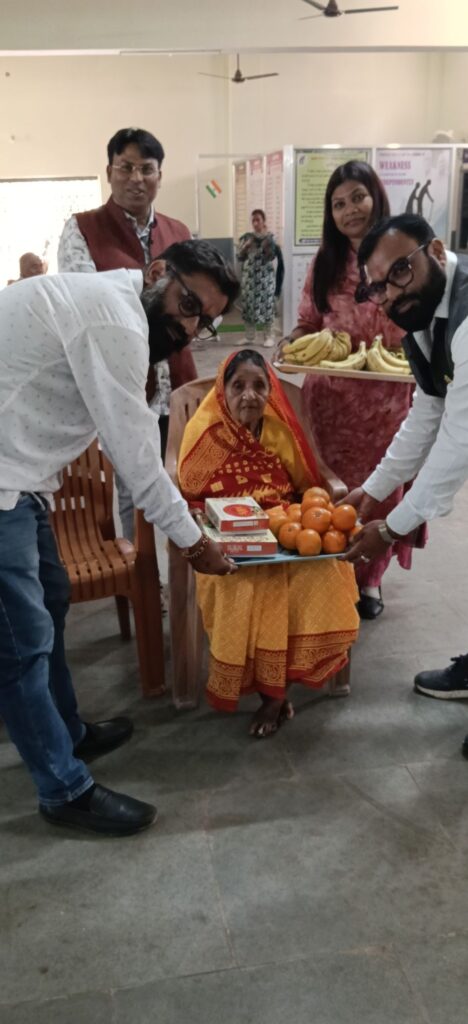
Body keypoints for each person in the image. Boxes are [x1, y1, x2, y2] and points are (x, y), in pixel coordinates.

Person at [0, 240, 239, 836]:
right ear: (157, 272)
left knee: (51, 604)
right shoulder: (114, 319)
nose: (190, 329)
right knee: (20, 644)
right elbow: (136, 458)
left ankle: (68, 731)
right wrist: (194, 544)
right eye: (189, 305)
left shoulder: (117, 308)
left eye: (204, 321)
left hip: (22, 479)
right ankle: (63, 790)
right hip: (2, 482)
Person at [178, 349, 359, 737]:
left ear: (270, 391)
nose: (249, 395)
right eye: (238, 386)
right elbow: (190, 492)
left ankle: (278, 691)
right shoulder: (205, 432)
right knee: (241, 585)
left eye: (259, 386)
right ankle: (270, 693)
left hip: (283, 526)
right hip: (225, 535)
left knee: (321, 574)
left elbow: (306, 484)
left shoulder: (279, 431)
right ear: (222, 390)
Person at [341, 213, 468, 752]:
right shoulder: (423, 317)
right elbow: (427, 414)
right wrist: (373, 489)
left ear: (435, 251)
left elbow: (458, 441)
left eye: (399, 272)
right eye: (379, 286)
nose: (391, 294)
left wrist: (391, 529)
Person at [283, 160, 421, 620]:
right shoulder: (324, 264)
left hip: (386, 406)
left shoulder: (400, 262)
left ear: (376, 197)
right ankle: (327, 572)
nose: (349, 211)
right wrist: (294, 342)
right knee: (327, 492)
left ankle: (369, 580)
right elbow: (307, 322)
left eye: (357, 197)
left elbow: (419, 325)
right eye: (338, 204)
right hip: (330, 406)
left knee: (381, 494)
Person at [58, 127, 193, 481]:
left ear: (159, 176)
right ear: (109, 172)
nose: (136, 179)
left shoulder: (180, 233)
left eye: (146, 169)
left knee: (180, 479)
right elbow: (84, 304)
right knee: (125, 490)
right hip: (117, 386)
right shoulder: (82, 229)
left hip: (177, 383)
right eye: (126, 167)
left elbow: (202, 301)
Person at [237, 209, 284, 349]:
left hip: (265, 279)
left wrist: (267, 246)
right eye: (253, 220)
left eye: (258, 220)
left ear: (264, 221)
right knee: (248, 307)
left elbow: (272, 257)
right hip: (249, 279)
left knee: (267, 306)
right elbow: (239, 257)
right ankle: (249, 336)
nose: (255, 223)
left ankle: (269, 337)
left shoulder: (270, 238)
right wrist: (246, 246)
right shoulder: (247, 237)